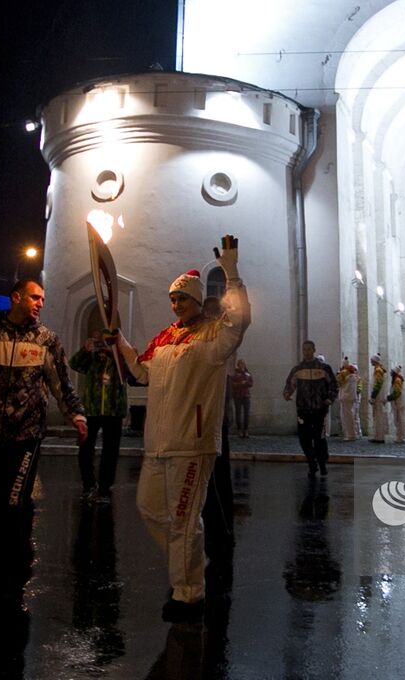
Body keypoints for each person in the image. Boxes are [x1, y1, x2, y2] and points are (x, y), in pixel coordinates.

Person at [110, 236, 249, 622]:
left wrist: (231, 271)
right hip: (157, 443)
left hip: (193, 442)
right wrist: (118, 341)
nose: (176, 306)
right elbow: (140, 371)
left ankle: (189, 594)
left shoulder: (215, 334)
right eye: (173, 300)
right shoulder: (166, 338)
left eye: (183, 299)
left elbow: (241, 320)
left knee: (185, 520)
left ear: (196, 299)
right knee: (150, 509)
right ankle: (190, 559)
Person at [0, 280, 88, 578]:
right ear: (16, 297)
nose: (40, 303)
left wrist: (76, 415)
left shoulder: (46, 340)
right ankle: (5, 554)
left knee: (14, 500)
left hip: (26, 434)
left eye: (43, 299)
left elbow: (61, 381)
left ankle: (13, 565)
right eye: (35, 297)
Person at [69, 331, 128, 503]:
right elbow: (74, 364)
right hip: (92, 409)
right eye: (101, 341)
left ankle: (104, 489)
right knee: (85, 449)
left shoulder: (120, 357)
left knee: (110, 451)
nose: (103, 344)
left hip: (114, 410)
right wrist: (85, 350)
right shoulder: (93, 358)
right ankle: (88, 485)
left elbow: (132, 373)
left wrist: (117, 352)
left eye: (107, 341)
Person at [283, 340, 338, 476]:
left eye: (309, 349)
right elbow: (290, 383)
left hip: (319, 409)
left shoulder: (324, 368)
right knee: (304, 438)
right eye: (304, 349)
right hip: (303, 409)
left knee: (319, 438)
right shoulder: (298, 369)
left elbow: (333, 385)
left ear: (314, 350)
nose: (306, 352)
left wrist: (329, 399)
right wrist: (287, 393)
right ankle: (311, 463)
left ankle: (322, 462)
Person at [336, 356, 360, 441]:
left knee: (346, 417)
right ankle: (352, 433)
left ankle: (350, 435)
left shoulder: (344, 372)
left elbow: (338, 382)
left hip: (345, 397)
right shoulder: (353, 373)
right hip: (352, 397)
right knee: (351, 416)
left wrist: (338, 373)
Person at [231, 358, 253, 439]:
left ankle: (246, 430)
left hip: (246, 395)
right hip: (237, 396)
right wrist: (240, 383)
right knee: (238, 413)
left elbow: (251, 383)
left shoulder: (247, 374)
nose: (242, 365)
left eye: (243, 364)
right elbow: (232, 384)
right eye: (240, 364)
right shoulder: (235, 374)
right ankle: (239, 430)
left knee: (246, 414)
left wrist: (245, 383)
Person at [368, 354, 387, 443]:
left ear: (375, 361)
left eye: (372, 360)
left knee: (378, 416)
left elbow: (378, 384)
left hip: (378, 397)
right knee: (376, 416)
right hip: (377, 396)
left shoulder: (379, 371)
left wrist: (373, 396)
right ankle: (377, 435)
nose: (370, 361)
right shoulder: (377, 370)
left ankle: (379, 437)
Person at [388, 364, 405, 444]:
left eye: (392, 372)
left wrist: (388, 398)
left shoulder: (397, 380)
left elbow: (397, 392)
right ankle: (400, 436)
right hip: (398, 403)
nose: (391, 373)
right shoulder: (396, 379)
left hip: (398, 403)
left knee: (399, 420)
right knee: (399, 420)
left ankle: (400, 437)